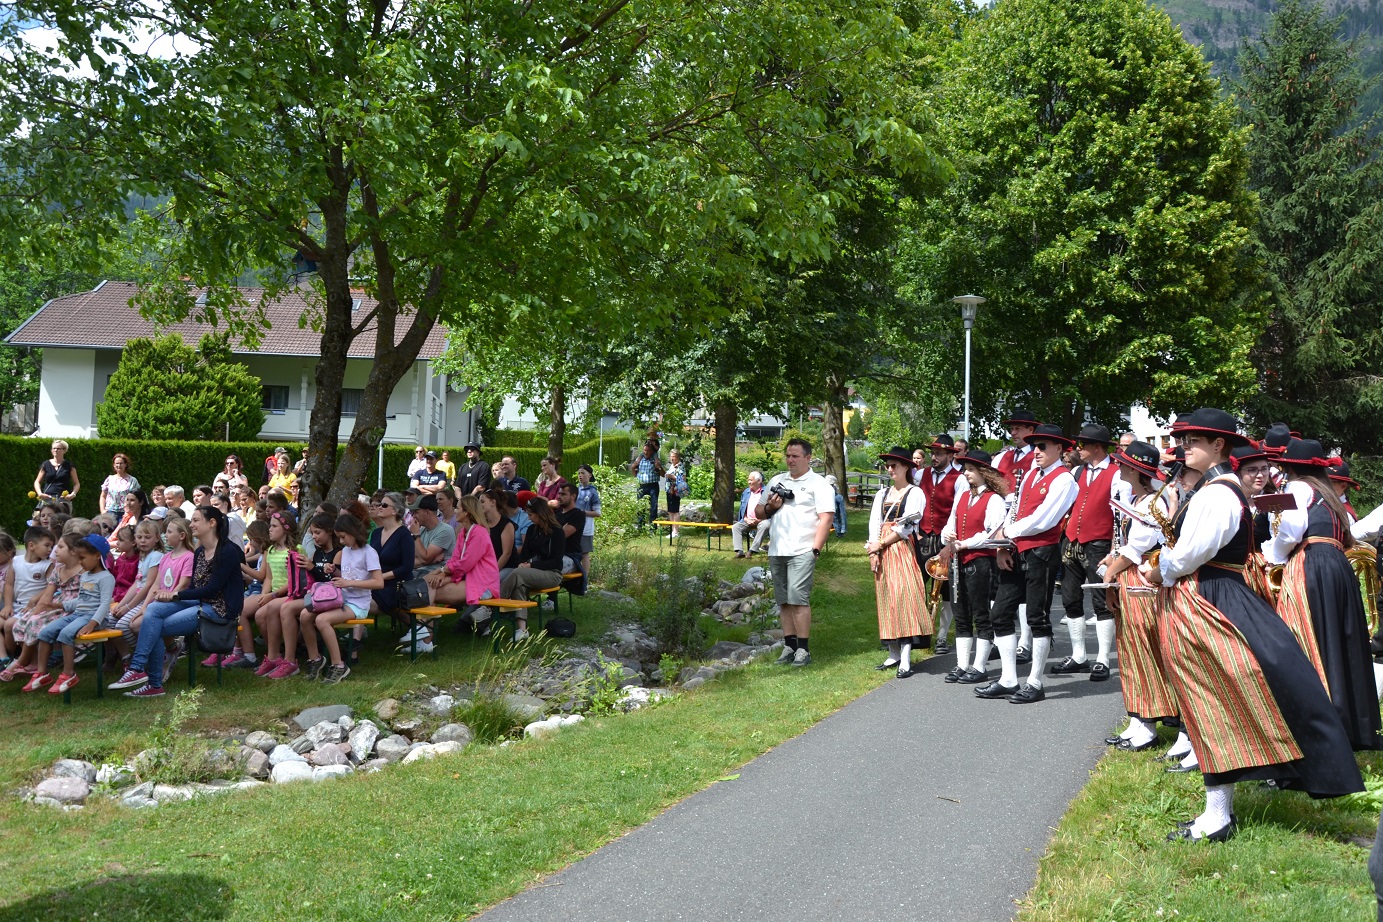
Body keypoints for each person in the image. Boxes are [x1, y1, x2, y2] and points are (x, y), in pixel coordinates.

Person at [1143, 408, 1364, 841]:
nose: (1185, 448)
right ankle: (1217, 812)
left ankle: (1218, 816)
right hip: (1217, 594)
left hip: (1206, 598)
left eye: (1193, 442)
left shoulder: (1217, 494)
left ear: (1218, 446)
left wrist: (1159, 571)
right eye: (1184, 441)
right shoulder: (1221, 489)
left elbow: (1190, 556)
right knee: (1214, 699)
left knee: (1212, 698)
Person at [1263, 438, 1380, 752]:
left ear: (1291, 466)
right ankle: (1353, 725)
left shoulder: (1299, 489)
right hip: (1337, 565)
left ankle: (1320, 727)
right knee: (1339, 642)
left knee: (1306, 639)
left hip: (1312, 563)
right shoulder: (1328, 494)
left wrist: (1273, 556)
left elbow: (1290, 531)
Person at [984, 424, 1079, 703]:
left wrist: (1008, 533)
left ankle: (1035, 682)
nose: (1036, 451)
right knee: (1000, 614)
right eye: (1035, 446)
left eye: (1043, 447)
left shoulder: (1064, 480)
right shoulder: (1030, 475)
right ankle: (1009, 679)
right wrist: (1003, 544)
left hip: (1041, 553)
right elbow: (1014, 510)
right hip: (1017, 550)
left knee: (1037, 616)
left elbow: (1045, 520)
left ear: (1059, 449)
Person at [111, 506, 246, 697]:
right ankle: (141, 672)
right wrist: (170, 596)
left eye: (196, 520)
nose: (191, 524)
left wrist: (175, 595)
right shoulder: (200, 552)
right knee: (154, 610)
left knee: (152, 625)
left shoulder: (227, 551)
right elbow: (195, 589)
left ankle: (148, 678)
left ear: (212, 523)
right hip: (200, 602)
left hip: (219, 609)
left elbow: (213, 589)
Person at [1098, 440, 1179, 754]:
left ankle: (1148, 723)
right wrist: (1112, 561)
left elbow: (1136, 550)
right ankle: (1139, 719)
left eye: (1122, 462)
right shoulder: (1139, 497)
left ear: (1134, 468)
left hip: (1142, 578)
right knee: (1131, 649)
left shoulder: (1150, 502)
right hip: (1132, 576)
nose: (1118, 466)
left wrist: (1109, 575)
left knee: (1142, 649)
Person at [938, 450, 1011, 685]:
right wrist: (946, 536)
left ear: (983, 472)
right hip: (958, 561)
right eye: (965, 469)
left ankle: (979, 666)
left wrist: (964, 543)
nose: (966, 473)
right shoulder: (962, 497)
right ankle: (962, 664)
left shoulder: (994, 500)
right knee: (961, 615)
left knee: (981, 615)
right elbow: (949, 525)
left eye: (970, 469)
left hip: (980, 562)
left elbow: (991, 534)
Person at [1054, 424, 1119, 680]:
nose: (1078, 449)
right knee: (1070, 598)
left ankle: (1103, 659)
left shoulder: (1115, 473)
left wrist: (1115, 549)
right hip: (1072, 541)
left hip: (1099, 543)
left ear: (1097, 447)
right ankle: (1079, 655)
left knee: (1101, 601)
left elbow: (1119, 516)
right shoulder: (1079, 470)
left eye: (1083, 444)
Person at [765, 438, 835, 668]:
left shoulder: (819, 484)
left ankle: (803, 650)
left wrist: (815, 549)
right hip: (777, 549)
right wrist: (770, 507)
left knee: (798, 599)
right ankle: (789, 646)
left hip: (802, 550)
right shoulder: (777, 480)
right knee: (784, 601)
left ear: (807, 458)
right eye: (787, 455)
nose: (790, 460)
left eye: (795, 456)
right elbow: (758, 511)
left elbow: (826, 518)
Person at [866, 447, 931, 678]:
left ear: (906, 467)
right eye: (888, 465)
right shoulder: (882, 494)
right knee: (886, 599)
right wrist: (873, 550)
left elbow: (907, 528)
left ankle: (905, 657)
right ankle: (893, 653)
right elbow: (874, 523)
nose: (890, 469)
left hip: (901, 549)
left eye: (894, 465)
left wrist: (881, 544)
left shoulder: (915, 493)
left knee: (904, 597)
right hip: (882, 550)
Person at [23, 535, 115, 696]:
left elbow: (104, 605)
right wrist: (60, 605)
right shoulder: (86, 575)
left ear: (97, 555)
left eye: (82, 557)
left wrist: (92, 624)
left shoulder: (106, 578)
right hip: (79, 614)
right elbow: (81, 600)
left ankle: (68, 674)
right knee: (45, 633)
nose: (80, 562)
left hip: (93, 618)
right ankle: (42, 673)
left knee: (65, 634)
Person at [302, 513, 382, 684]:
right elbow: (345, 576)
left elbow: (378, 583)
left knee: (322, 620)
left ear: (353, 532)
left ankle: (339, 665)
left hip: (358, 604)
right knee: (305, 615)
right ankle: (315, 659)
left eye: (343, 537)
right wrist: (334, 572)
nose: (342, 541)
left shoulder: (369, 552)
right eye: (339, 538)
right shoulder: (345, 551)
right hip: (342, 599)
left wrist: (348, 582)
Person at [913, 434, 962, 654]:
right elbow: (914, 503)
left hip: (944, 540)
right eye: (933, 453)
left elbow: (958, 511)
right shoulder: (921, 474)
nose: (934, 457)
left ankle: (942, 635)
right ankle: (918, 633)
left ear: (951, 455)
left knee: (945, 591)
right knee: (916, 586)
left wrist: (950, 543)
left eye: (939, 453)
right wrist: (916, 532)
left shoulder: (959, 479)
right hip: (923, 537)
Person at [500, 497, 566, 641]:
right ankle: (522, 630)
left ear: (541, 514)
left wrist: (531, 566)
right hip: (530, 572)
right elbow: (524, 554)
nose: (528, 518)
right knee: (519, 585)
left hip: (552, 574)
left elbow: (555, 561)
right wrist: (523, 563)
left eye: (531, 515)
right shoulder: (532, 529)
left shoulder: (557, 532)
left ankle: (494, 603)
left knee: (518, 574)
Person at [425, 495, 501, 615]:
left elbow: (466, 564)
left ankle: (424, 630)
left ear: (466, 512)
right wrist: (441, 573)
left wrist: (442, 572)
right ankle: (425, 628)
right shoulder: (463, 532)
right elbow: (454, 559)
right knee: (430, 582)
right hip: (465, 577)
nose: (455, 511)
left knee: (430, 589)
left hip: (481, 583)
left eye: (457, 508)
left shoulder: (479, 533)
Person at [0, 527, 55, 674]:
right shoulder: (16, 561)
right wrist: (7, 605)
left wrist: (35, 599)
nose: (50, 549)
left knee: (9, 625)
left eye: (52, 546)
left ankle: (16, 659)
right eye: (47, 545)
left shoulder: (47, 565)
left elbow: (52, 586)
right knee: (6, 624)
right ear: (31, 546)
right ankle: (12, 656)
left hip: (35, 608)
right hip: (18, 607)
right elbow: (9, 585)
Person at [367, 491, 415, 638]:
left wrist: (381, 578)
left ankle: (417, 628)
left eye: (384, 505)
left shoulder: (404, 535)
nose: (379, 507)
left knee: (363, 601)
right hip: (376, 582)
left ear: (395, 511)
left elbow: (407, 567)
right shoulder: (376, 533)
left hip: (396, 585)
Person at [408, 494, 456, 578]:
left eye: (416, 512)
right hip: (421, 571)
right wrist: (431, 560)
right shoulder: (422, 530)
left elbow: (425, 558)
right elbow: (409, 558)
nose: (414, 516)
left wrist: (415, 535)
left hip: (437, 575)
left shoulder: (445, 530)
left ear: (427, 512)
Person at [733, 471, 770, 558]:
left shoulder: (766, 492)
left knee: (765, 525)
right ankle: (739, 551)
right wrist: (746, 519)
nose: (749, 482)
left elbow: (770, 509)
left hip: (762, 520)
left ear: (758, 481)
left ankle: (751, 550)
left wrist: (760, 519)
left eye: (751, 480)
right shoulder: (746, 492)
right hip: (748, 520)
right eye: (748, 480)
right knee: (736, 527)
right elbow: (743, 508)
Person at [629, 440, 664, 531]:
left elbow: (663, 474)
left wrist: (659, 467)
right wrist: (633, 468)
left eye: (647, 451)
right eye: (644, 450)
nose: (645, 452)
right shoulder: (640, 458)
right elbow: (634, 471)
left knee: (653, 507)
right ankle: (640, 527)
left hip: (653, 486)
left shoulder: (655, 459)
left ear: (652, 451)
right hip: (641, 486)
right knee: (641, 507)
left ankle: (653, 528)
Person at [574, 464, 601, 574]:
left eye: (583, 473)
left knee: (584, 553)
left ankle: (585, 579)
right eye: (579, 473)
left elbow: (597, 513)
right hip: (574, 527)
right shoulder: (576, 490)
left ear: (589, 475)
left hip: (586, 528)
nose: (580, 475)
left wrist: (582, 513)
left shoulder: (593, 492)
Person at [555, 483, 585, 573]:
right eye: (559, 494)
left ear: (573, 496)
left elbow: (561, 536)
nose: (559, 497)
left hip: (570, 556)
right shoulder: (556, 514)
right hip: (554, 555)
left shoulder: (578, 515)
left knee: (549, 568)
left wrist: (555, 532)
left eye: (563, 494)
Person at [98, 453, 140, 518]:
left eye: (121, 463)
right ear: (114, 465)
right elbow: (103, 496)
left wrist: (131, 512)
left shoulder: (132, 480)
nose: (118, 465)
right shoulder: (109, 479)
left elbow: (137, 498)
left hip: (125, 513)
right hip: (110, 512)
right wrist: (102, 510)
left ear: (125, 465)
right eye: (116, 463)